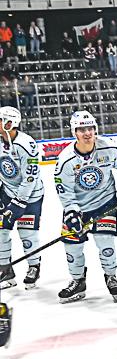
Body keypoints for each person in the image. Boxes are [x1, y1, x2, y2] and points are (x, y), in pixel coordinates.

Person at [54, 111, 117, 303]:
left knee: (105, 241)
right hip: (78, 207)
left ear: (95, 129)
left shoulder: (110, 148)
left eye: (90, 128)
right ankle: (78, 281)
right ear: (74, 132)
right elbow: (65, 191)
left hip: (105, 203)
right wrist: (72, 212)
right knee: (72, 246)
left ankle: (111, 276)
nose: (87, 133)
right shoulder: (65, 160)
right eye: (81, 129)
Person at [0, 107, 43, 290]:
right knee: (1, 231)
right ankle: (5, 271)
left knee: (27, 234)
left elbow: (30, 177)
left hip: (30, 196)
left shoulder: (26, 144)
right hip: (7, 192)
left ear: (9, 123)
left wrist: (19, 202)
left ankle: (34, 266)